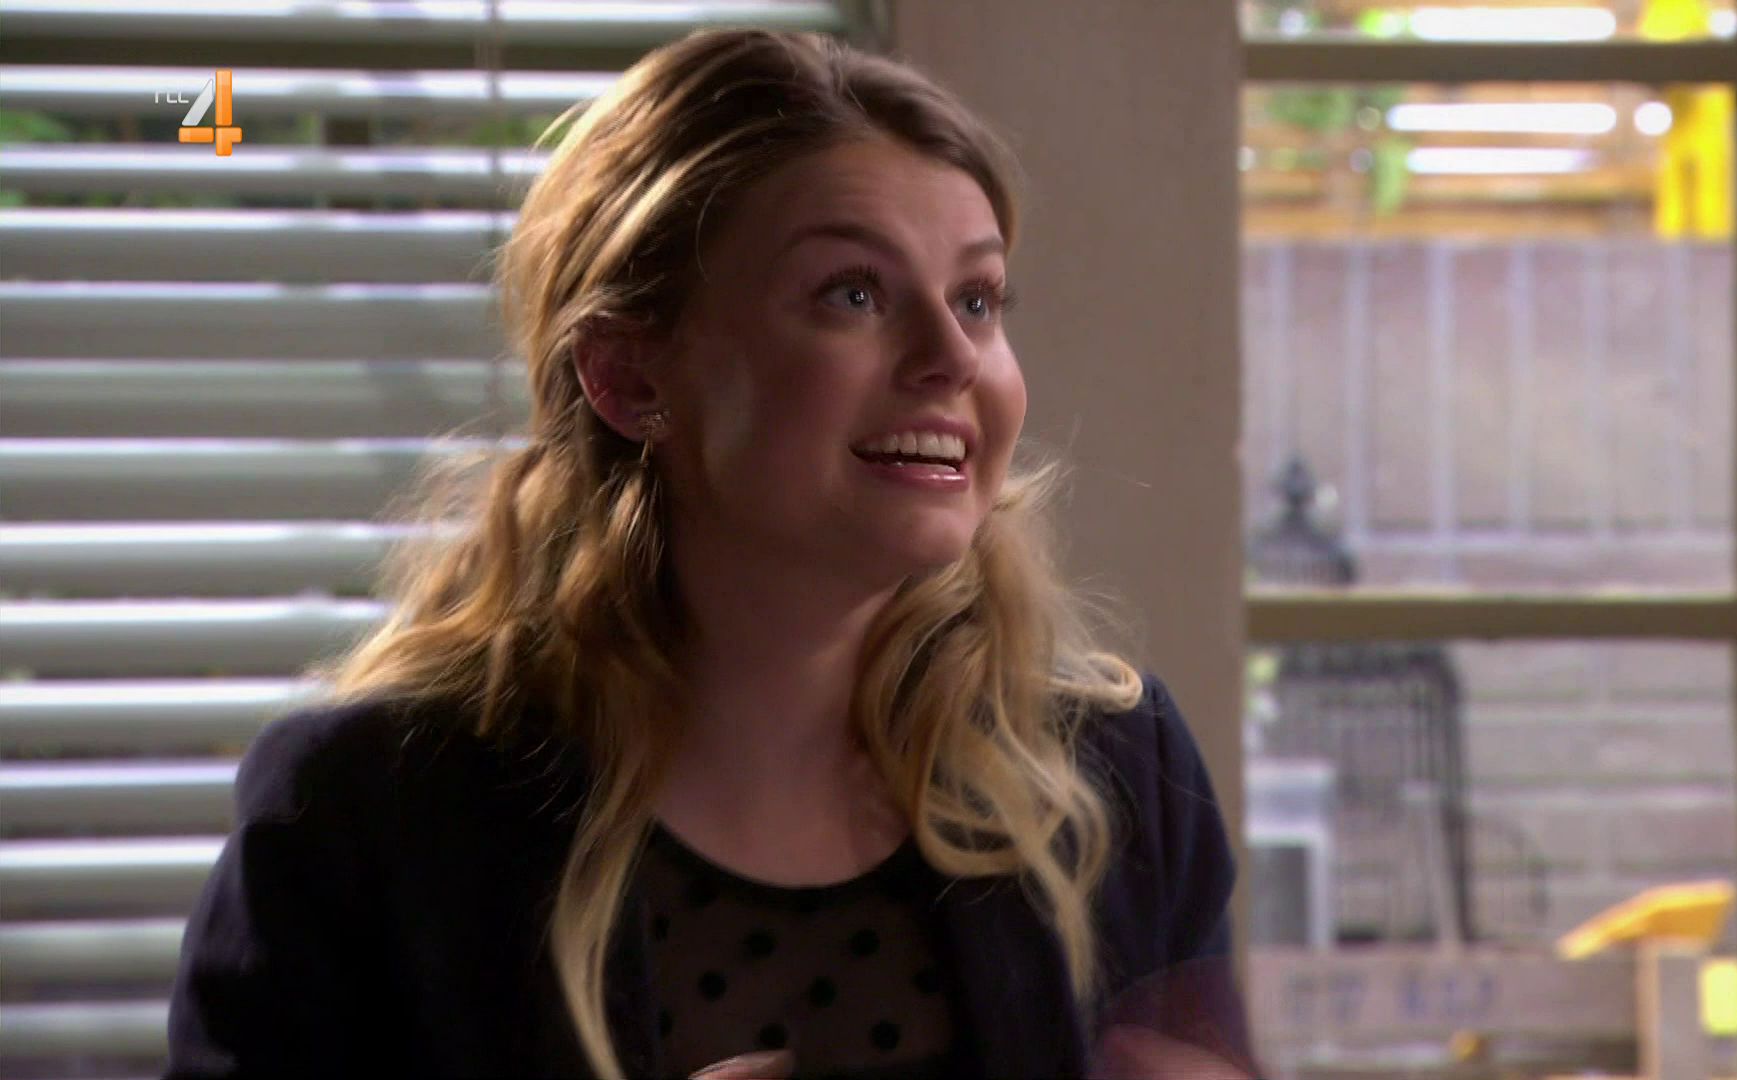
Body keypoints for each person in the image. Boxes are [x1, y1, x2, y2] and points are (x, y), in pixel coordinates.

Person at [164, 27, 1256, 1080]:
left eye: (977, 299)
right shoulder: (367, 816)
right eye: (854, 294)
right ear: (628, 376)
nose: (951, 358)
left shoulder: (1121, 775)